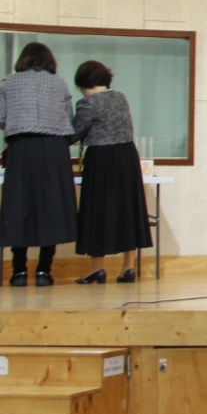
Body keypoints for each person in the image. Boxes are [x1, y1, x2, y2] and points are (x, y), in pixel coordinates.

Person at [68, 60, 150, 285]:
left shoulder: (88, 103)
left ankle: (97, 269)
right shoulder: (120, 97)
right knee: (128, 209)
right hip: (127, 155)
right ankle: (128, 267)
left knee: (98, 211)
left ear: (84, 84)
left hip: (102, 158)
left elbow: (73, 134)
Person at [0, 42, 74, 287]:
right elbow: (68, 119)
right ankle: (44, 271)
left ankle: (19, 271)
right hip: (55, 150)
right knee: (51, 208)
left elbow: (1, 117)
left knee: (18, 207)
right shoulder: (59, 83)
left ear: (23, 59)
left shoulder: (8, 82)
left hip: (22, 148)